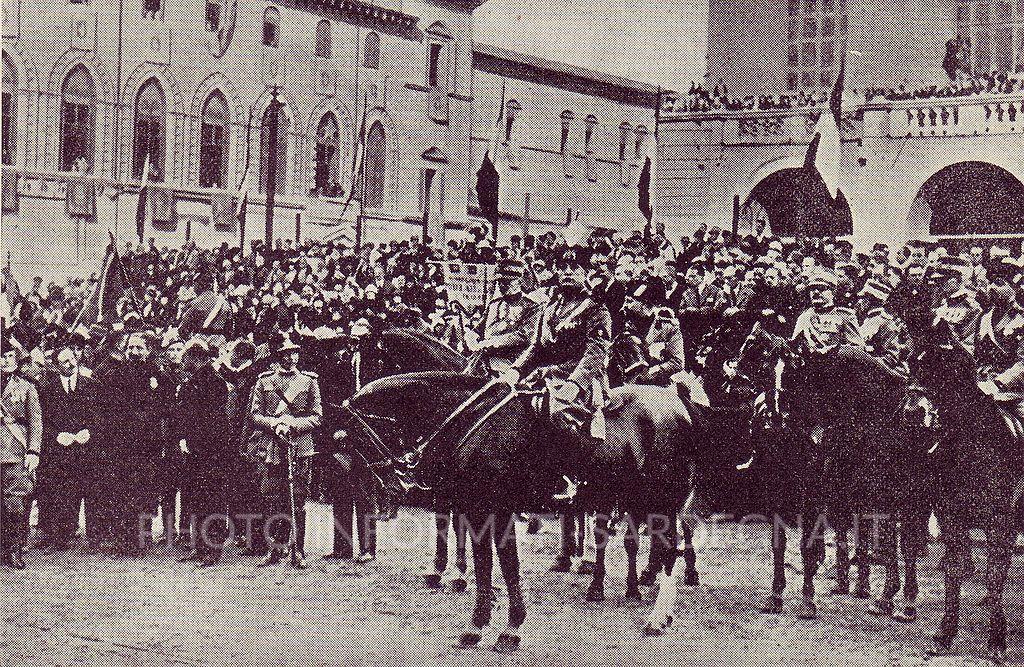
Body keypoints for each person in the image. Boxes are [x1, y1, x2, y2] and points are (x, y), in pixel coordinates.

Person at [89, 331, 171, 555]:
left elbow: (163, 408)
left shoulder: (158, 375)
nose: (134, 352)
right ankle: (123, 541)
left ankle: (141, 541)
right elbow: (107, 408)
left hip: (147, 446)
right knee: (121, 492)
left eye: (139, 348)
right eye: (130, 348)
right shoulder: (116, 374)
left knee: (144, 493)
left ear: (148, 350)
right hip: (121, 445)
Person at [248, 332, 322, 568]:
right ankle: (275, 549)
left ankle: (297, 549)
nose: (291, 358)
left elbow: (317, 417)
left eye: (294, 353)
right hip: (273, 447)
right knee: (273, 499)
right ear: (278, 357)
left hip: (300, 447)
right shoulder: (264, 381)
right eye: (286, 354)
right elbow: (255, 414)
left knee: (297, 499)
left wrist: (292, 424)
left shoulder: (309, 381)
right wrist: (274, 423)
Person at [174, 341, 230, 566]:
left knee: (211, 500)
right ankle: (199, 548)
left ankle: (212, 550)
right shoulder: (191, 384)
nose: (183, 363)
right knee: (196, 499)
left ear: (195, 358)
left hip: (211, 452)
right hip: (196, 451)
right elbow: (184, 416)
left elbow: (213, 421)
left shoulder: (215, 383)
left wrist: (192, 440)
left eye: (186, 358)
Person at [35, 345, 94, 550]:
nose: (70, 364)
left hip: (86, 449)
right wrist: (57, 436)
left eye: (71, 359)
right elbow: (42, 420)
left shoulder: (90, 385)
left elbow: (99, 416)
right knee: (59, 492)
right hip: (59, 450)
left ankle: (91, 535)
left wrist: (89, 432)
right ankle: (58, 536)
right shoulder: (48, 389)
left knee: (87, 490)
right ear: (56, 365)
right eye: (64, 362)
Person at [1, 343, 42, 568]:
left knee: (15, 504)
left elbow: (35, 421)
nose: (6, 360)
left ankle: (14, 549)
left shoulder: (26, 387)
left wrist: (33, 450)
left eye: (9, 356)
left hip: (15, 451)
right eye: (2, 357)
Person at [465, 259, 540, 377]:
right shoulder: (494, 304)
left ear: (519, 281)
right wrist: (471, 338)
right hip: (484, 360)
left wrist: (488, 344)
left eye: (507, 281)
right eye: (499, 281)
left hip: (512, 364)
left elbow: (523, 336)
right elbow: (478, 328)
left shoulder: (532, 307)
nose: (501, 285)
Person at [791, 271, 864, 354]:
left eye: (821, 288)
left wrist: (831, 351)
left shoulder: (844, 316)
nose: (816, 292)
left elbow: (857, 349)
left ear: (833, 292)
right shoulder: (804, 317)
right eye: (812, 289)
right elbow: (795, 347)